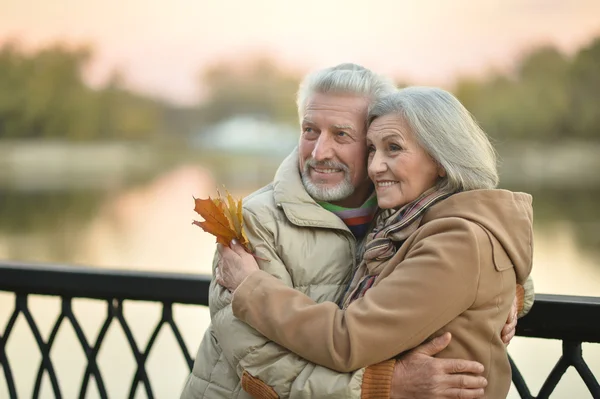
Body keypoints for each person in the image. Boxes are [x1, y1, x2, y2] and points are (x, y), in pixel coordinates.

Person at [181, 65, 533, 399]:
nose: (320, 152)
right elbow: (260, 363)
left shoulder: (403, 210)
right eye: (309, 130)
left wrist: (508, 295)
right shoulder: (256, 222)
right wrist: (381, 386)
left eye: (342, 134)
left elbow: (472, 258)